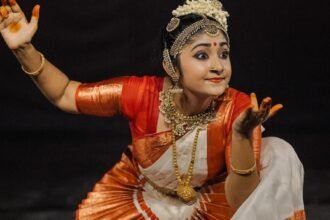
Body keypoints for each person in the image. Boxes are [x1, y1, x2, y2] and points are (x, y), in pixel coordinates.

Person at [0, 0, 306, 219]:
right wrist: (24, 49)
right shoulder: (141, 94)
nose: (217, 66)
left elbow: (242, 201)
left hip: (214, 204)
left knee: (278, 151)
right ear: (171, 67)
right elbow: (67, 94)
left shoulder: (238, 108)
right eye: (202, 55)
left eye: (224, 54)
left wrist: (241, 133)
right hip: (143, 196)